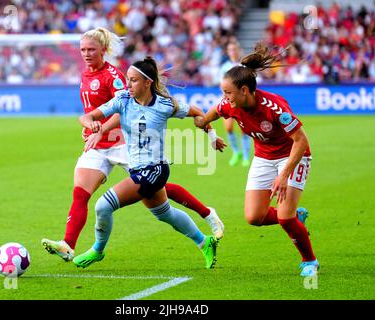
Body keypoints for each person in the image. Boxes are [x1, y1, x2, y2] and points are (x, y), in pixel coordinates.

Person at [41, 28, 225, 263]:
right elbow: (107, 110)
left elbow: (127, 110)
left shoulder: (127, 86)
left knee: (112, 203)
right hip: (102, 147)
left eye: (91, 50)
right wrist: (91, 125)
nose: (86, 54)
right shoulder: (98, 81)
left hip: (125, 145)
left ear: (103, 50)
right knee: (157, 210)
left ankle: (206, 213)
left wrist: (210, 132)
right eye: (83, 50)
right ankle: (68, 244)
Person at [73, 56, 221, 269]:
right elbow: (88, 116)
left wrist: (212, 136)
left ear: (147, 83)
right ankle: (204, 242)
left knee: (102, 206)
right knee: (165, 214)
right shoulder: (123, 100)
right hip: (137, 170)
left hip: (155, 170)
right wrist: (92, 125)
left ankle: (97, 250)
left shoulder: (164, 105)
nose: (128, 85)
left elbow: (198, 113)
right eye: (127, 79)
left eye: (133, 80)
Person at [195, 42, 319, 277]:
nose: (225, 98)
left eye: (228, 93)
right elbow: (205, 118)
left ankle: (310, 261)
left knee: (284, 217)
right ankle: (296, 216)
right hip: (264, 156)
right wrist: (207, 130)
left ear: (244, 90)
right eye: (223, 93)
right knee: (254, 217)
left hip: (293, 155)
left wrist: (283, 176)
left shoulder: (273, 108)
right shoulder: (228, 105)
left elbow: (300, 141)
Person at [219, 41, 251, 167]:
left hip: (242, 101)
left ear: (238, 50)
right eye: (230, 49)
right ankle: (236, 152)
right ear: (228, 52)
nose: (233, 51)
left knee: (244, 129)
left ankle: (246, 156)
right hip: (228, 100)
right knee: (228, 127)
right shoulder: (224, 67)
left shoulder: (244, 66)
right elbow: (221, 84)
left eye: (234, 49)